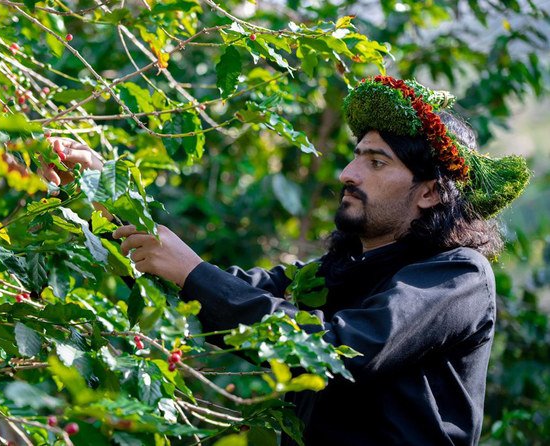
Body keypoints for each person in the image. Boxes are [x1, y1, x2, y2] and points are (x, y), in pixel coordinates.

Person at [44, 76, 530, 445]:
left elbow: (341, 348)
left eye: (376, 162)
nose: (348, 172)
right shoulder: (339, 270)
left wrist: (193, 273)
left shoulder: (457, 275)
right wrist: (101, 198)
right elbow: (232, 291)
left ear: (428, 192)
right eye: (356, 155)